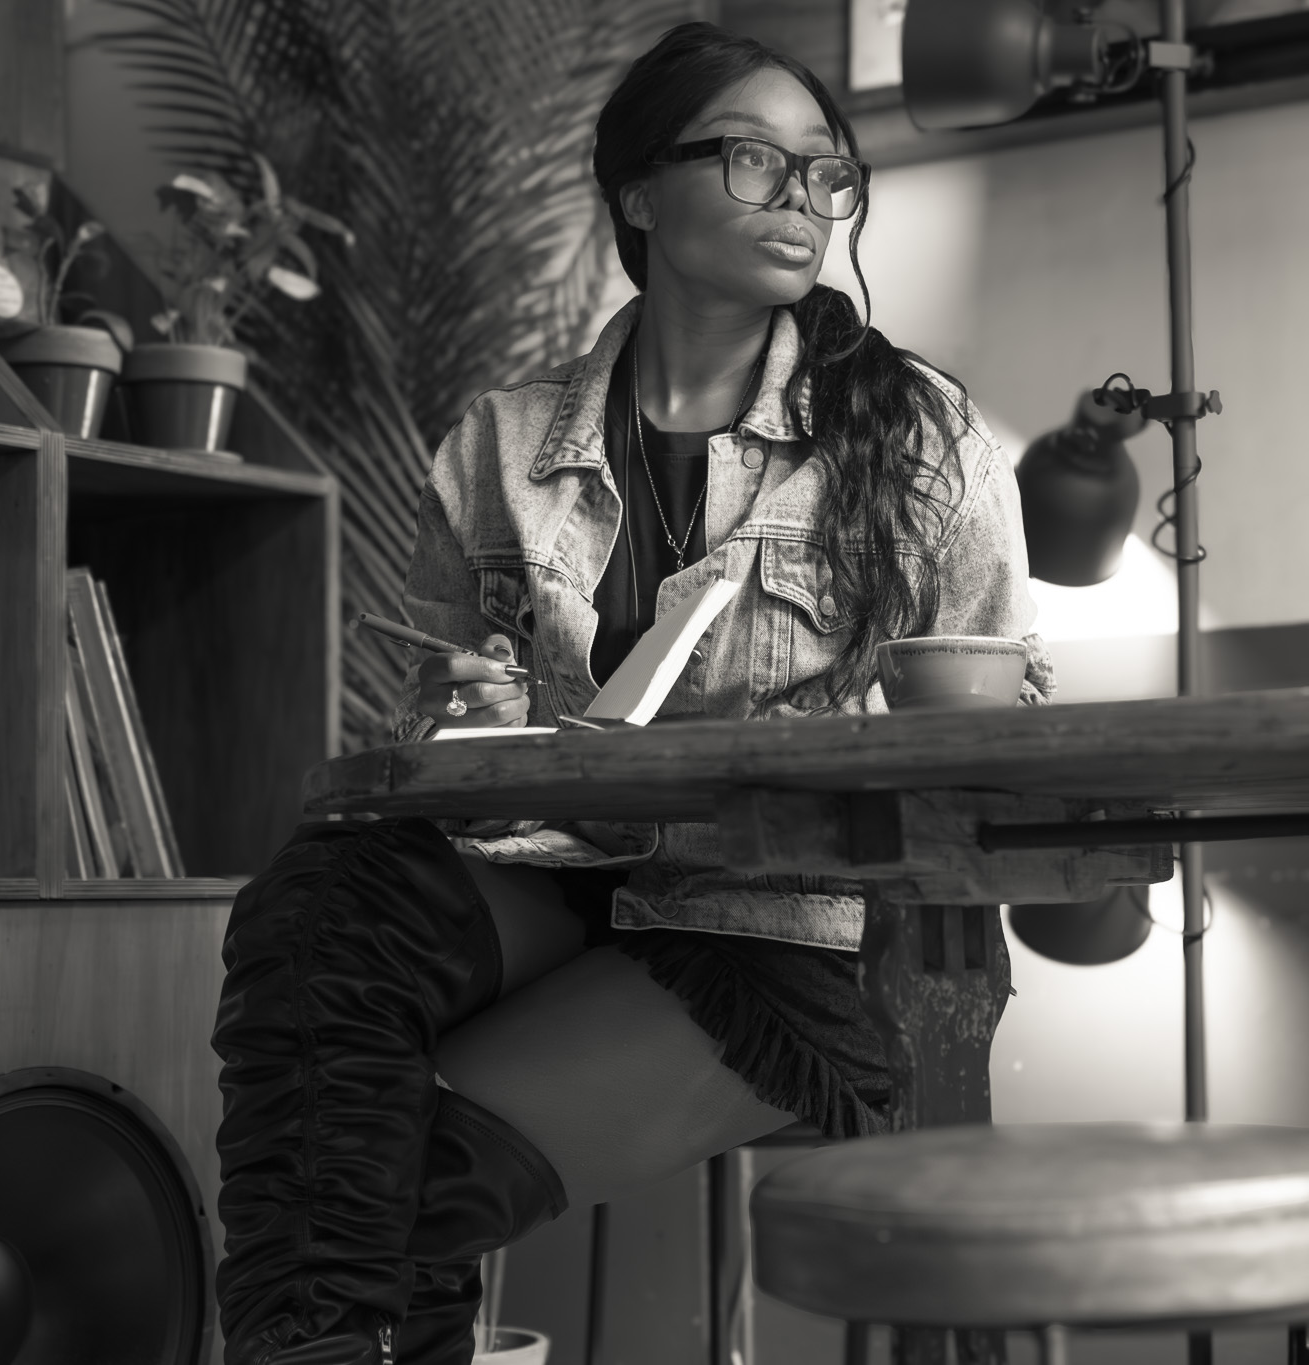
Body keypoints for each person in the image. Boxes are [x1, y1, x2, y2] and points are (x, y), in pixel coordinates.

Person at [212, 21, 1052, 1365]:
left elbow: (994, 737)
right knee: (322, 895)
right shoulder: (495, 442)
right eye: (751, 158)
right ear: (638, 194)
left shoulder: (918, 437)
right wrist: (472, 721)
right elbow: (442, 727)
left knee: (358, 1189)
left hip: (782, 931)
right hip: (550, 878)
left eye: (823, 171)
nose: (801, 198)